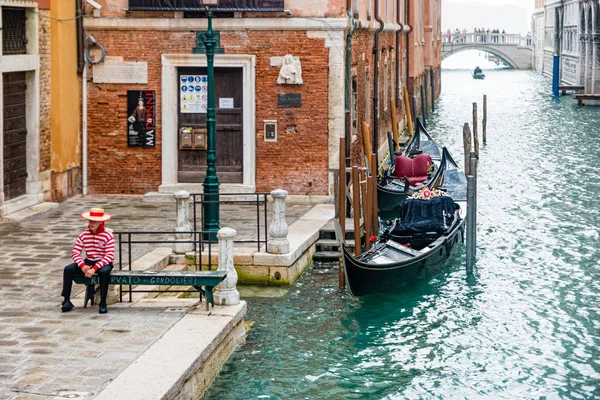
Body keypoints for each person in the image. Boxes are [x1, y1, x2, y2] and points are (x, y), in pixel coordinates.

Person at [61, 208, 114, 314]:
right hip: (88, 262)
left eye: (94, 221)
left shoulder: (108, 235)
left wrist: (94, 269)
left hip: (104, 263)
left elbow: (109, 255)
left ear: (101, 222)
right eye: (90, 221)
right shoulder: (84, 235)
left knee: (104, 272)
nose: (91, 223)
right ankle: (66, 300)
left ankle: (103, 302)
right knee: (68, 269)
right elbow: (75, 252)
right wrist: (82, 265)